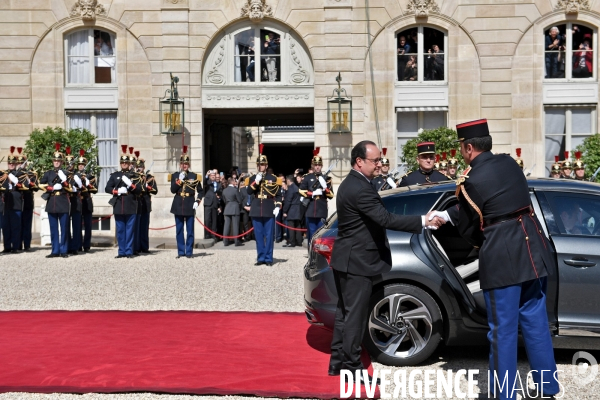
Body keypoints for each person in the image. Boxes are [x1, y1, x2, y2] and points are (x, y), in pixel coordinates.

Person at [433, 119, 559, 399]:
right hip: (533, 249)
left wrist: (451, 221)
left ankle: (505, 394)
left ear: (467, 148)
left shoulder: (470, 182)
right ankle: (548, 386)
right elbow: (500, 198)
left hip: (503, 260)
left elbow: (469, 226)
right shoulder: (510, 164)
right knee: (536, 323)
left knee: (502, 332)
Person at [328, 140, 443, 382]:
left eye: (379, 160)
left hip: (348, 258)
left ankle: (337, 362)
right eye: (375, 160)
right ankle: (352, 368)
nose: (379, 164)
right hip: (357, 261)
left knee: (344, 315)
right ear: (359, 161)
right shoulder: (359, 187)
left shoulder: (354, 183)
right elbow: (386, 219)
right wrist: (423, 221)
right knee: (355, 318)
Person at [246, 144, 282, 266]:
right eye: (259, 164)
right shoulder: (252, 178)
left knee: (269, 235)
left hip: (268, 208)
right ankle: (260, 257)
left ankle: (268, 258)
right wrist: (256, 181)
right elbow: (249, 192)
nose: (260, 166)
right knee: (259, 235)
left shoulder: (273, 178)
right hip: (256, 208)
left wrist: (278, 206)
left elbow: (278, 194)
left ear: (266, 165)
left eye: (262, 164)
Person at [105, 145, 142, 258]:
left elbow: (139, 190)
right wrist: (116, 191)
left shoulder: (135, 176)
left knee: (130, 230)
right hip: (118, 204)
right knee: (120, 230)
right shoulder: (115, 175)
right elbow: (107, 188)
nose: (124, 164)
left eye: (126, 162)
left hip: (130, 204)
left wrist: (130, 185)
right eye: (122, 162)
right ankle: (121, 251)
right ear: (120, 163)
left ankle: (129, 251)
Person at [39, 143, 72, 258]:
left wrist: (64, 181)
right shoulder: (48, 173)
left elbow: (71, 188)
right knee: (53, 228)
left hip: (63, 201)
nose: (56, 162)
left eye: (58, 161)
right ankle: (55, 250)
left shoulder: (66, 173)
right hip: (52, 201)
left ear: (62, 162)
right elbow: (40, 184)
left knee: (64, 228)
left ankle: (64, 250)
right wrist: (51, 188)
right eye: (55, 160)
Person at [170, 146, 203, 258]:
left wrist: (197, 201)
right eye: (183, 164)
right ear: (180, 165)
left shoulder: (194, 176)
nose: (184, 166)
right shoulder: (175, 175)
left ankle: (189, 251)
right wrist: (179, 180)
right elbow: (172, 190)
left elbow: (201, 191)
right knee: (179, 230)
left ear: (189, 165)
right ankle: (180, 251)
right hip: (178, 203)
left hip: (189, 203)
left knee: (190, 230)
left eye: (186, 164)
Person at [299, 148, 334, 244]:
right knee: (311, 235)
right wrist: (313, 193)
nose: (317, 167)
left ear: (322, 166)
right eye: (315, 165)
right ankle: (311, 255)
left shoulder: (327, 179)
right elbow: (301, 191)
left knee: (321, 235)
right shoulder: (307, 177)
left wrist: (325, 187)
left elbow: (331, 195)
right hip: (310, 209)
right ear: (312, 166)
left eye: (319, 165)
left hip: (321, 209)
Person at [1, 147, 28, 253]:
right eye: (9, 163)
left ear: (16, 164)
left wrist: (15, 180)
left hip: (16, 201)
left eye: (13, 163)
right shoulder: (3, 174)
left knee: (16, 226)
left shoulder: (21, 174)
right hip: (6, 202)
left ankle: (16, 246)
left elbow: (25, 185)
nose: (11, 164)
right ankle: (7, 246)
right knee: (6, 226)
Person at [16, 147, 38, 252]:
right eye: (19, 163)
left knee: (27, 224)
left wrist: (29, 181)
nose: (21, 165)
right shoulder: (14, 174)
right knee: (18, 224)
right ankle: (18, 244)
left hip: (27, 201)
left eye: (23, 163)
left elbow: (36, 187)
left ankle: (27, 244)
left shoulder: (31, 174)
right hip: (17, 202)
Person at [64, 147, 84, 256]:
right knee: (65, 225)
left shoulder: (78, 175)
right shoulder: (62, 174)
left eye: (71, 164)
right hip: (65, 201)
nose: (69, 165)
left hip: (76, 200)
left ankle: (75, 247)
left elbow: (83, 187)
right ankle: (67, 246)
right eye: (67, 163)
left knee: (76, 226)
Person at [77, 150, 97, 253]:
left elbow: (95, 189)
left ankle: (87, 245)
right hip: (78, 202)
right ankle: (78, 244)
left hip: (87, 201)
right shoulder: (75, 175)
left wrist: (87, 181)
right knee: (78, 225)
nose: (81, 166)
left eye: (82, 164)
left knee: (88, 225)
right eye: (79, 164)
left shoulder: (90, 176)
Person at [136, 155, 157, 253]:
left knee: (144, 227)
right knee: (136, 227)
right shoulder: (134, 177)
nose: (139, 168)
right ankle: (136, 247)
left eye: (140, 167)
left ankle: (144, 247)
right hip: (135, 205)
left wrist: (147, 186)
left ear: (144, 168)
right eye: (137, 167)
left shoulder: (149, 178)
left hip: (145, 204)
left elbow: (155, 191)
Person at [222, 177, 244, 247]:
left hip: (227, 207)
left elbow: (224, 200)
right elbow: (239, 200)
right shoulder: (235, 190)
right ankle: (236, 241)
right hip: (235, 208)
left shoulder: (224, 190)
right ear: (233, 182)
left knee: (226, 226)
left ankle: (225, 241)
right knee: (235, 225)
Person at [282, 174, 302, 247]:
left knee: (291, 226)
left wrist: (285, 211)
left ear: (288, 180)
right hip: (297, 208)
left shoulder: (290, 189)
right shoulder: (296, 187)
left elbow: (288, 201)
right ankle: (299, 241)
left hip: (292, 209)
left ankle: (292, 242)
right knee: (298, 226)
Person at [203, 170, 220, 240]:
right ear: (210, 176)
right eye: (211, 176)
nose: (213, 177)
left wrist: (219, 196)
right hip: (208, 203)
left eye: (214, 176)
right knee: (207, 219)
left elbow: (220, 192)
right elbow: (203, 182)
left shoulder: (218, 184)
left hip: (215, 203)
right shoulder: (208, 182)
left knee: (214, 220)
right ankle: (207, 234)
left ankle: (213, 234)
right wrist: (206, 175)